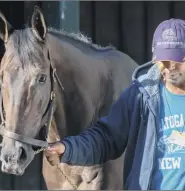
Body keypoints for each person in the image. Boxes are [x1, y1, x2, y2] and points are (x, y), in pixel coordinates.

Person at [46, 18, 185, 190]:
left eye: (177, 59)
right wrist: (68, 149)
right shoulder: (140, 96)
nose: (169, 66)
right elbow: (106, 138)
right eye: (163, 59)